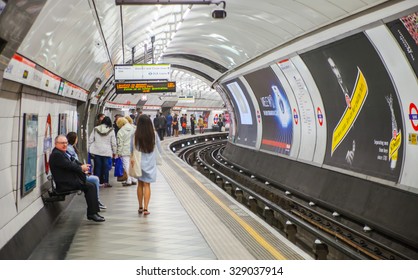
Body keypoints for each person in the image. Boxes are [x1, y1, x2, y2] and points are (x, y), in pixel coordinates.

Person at [49, 135, 105, 222]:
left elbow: (73, 162)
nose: (65, 145)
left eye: (66, 143)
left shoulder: (61, 153)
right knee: (90, 187)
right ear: (56, 144)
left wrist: (82, 167)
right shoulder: (56, 155)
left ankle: (93, 212)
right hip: (65, 183)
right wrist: (81, 168)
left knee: (91, 186)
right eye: (62, 143)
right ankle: (92, 213)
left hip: (69, 180)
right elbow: (69, 165)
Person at [66, 132, 107, 209]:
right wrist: (82, 170)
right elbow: (74, 164)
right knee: (95, 180)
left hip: (76, 175)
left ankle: (96, 202)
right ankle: (96, 202)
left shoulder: (70, 149)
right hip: (76, 177)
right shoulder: (70, 150)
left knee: (93, 181)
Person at [132, 114, 162, 215]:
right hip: (150, 162)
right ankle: (146, 208)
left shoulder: (135, 134)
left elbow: (131, 148)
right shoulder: (154, 134)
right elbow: (159, 149)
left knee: (140, 184)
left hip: (139, 161)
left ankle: (140, 206)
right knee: (147, 185)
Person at [89, 116, 117, 188]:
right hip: (106, 151)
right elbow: (113, 143)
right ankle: (106, 182)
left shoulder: (95, 129)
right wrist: (114, 152)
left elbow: (90, 139)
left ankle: (97, 182)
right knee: (106, 167)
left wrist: (90, 148)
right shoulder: (111, 130)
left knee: (97, 166)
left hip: (96, 150)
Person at [116, 117, 137, 186]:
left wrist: (119, 152)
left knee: (126, 165)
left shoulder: (120, 131)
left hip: (125, 150)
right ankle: (133, 179)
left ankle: (128, 180)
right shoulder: (133, 129)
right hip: (133, 149)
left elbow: (120, 143)